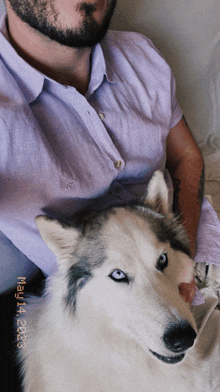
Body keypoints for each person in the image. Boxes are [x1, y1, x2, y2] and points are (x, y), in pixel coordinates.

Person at [0, 0, 219, 304]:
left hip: (202, 250)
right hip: (111, 314)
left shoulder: (142, 54)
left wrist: (184, 255)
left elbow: (187, 157)